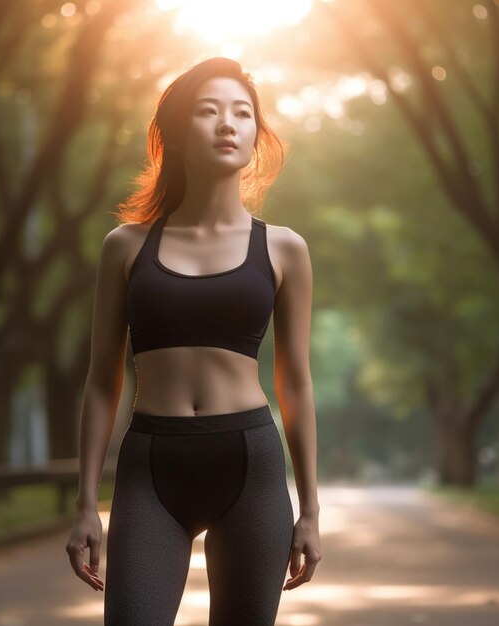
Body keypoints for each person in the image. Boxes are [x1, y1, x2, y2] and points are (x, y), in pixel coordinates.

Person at [65, 56, 321, 625]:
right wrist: (86, 503)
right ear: (175, 134)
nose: (227, 124)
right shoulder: (125, 247)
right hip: (152, 463)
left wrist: (310, 510)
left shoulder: (283, 249)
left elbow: (296, 383)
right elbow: (101, 379)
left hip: (249, 463)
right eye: (208, 112)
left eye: (242, 113)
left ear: (257, 135)